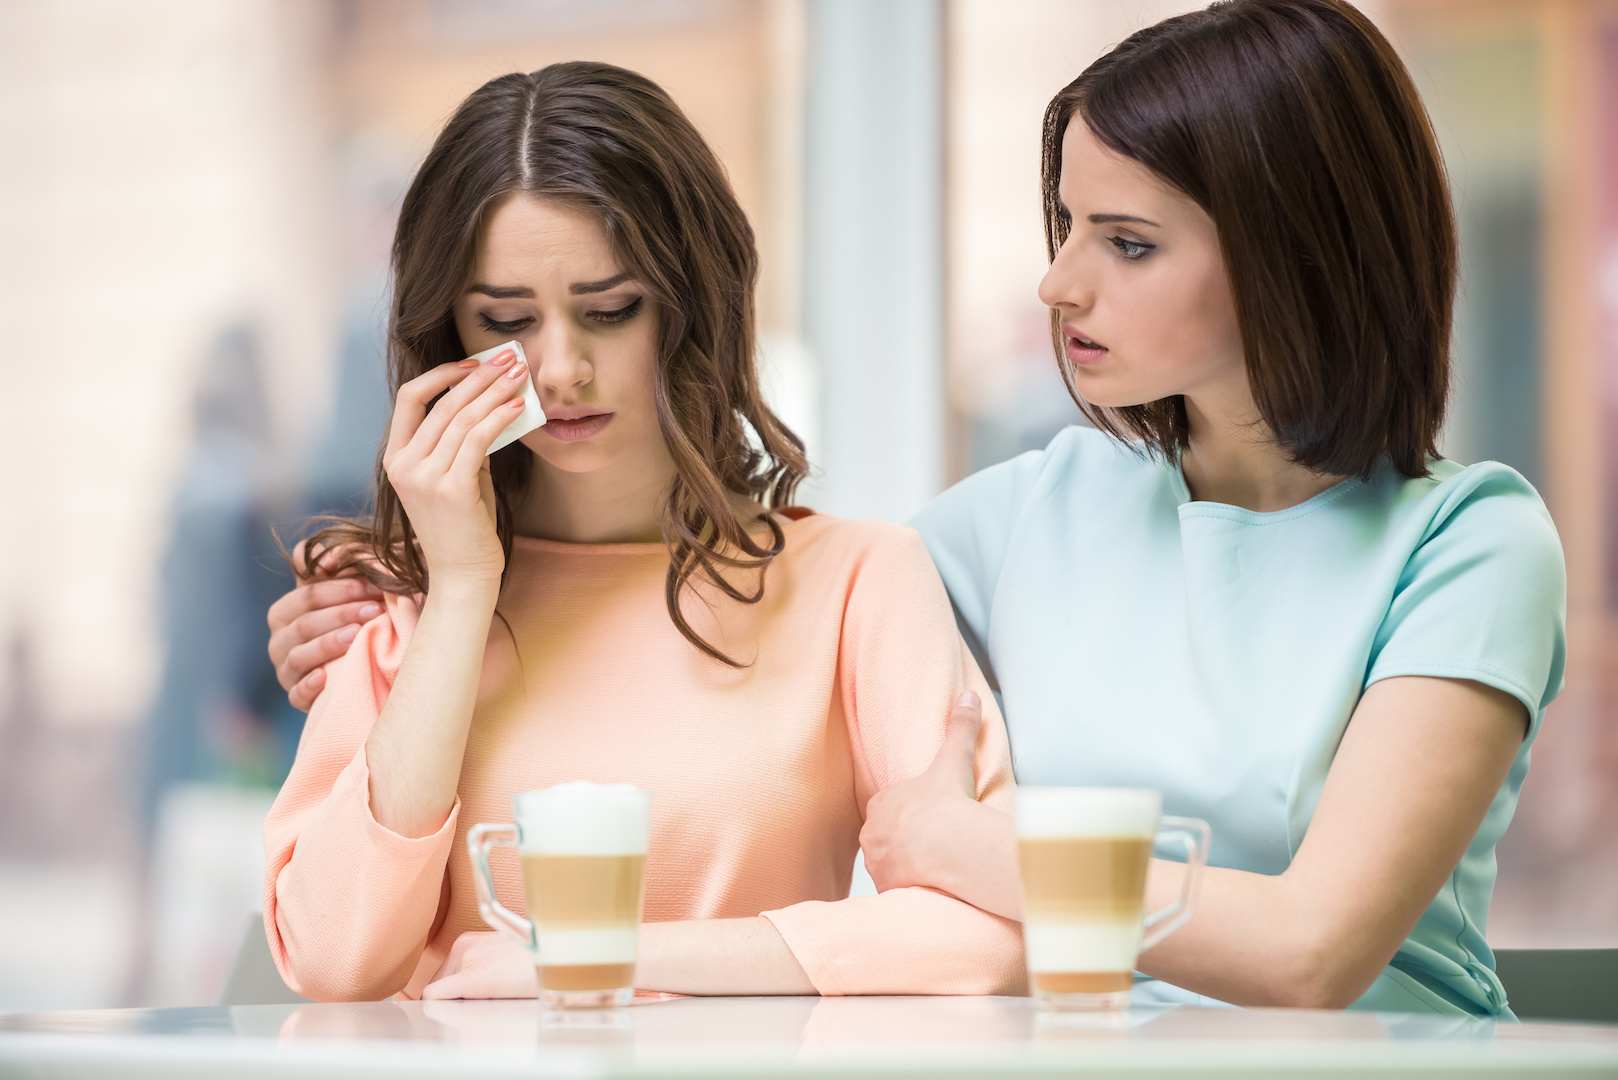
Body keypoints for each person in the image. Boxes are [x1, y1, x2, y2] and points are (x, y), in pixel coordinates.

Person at [275, 1, 1566, 1015]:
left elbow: (1311, 953)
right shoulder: (1003, 528)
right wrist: (397, 631)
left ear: (1295, 253)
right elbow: (742, 603)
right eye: (1062, 222)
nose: (1056, 284)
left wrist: (962, 851)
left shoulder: (1470, 544)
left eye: (1125, 241)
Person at [262, 60, 1022, 1003]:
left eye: (611, 310)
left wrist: (604, 961)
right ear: (449, 332)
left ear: (690, 305)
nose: (561, 369)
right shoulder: (401, 601)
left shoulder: (859, 585)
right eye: (507, 319)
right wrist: (460, 590)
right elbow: (334, 963)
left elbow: (998, 934)